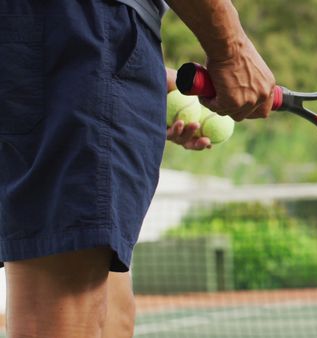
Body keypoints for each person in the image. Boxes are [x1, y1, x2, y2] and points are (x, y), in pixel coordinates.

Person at [0, 0, 274, 337]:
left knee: (113, 314)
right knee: (64, 318)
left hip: (72, 39)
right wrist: (232, 49)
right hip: (83, 28)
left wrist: (139, 85)